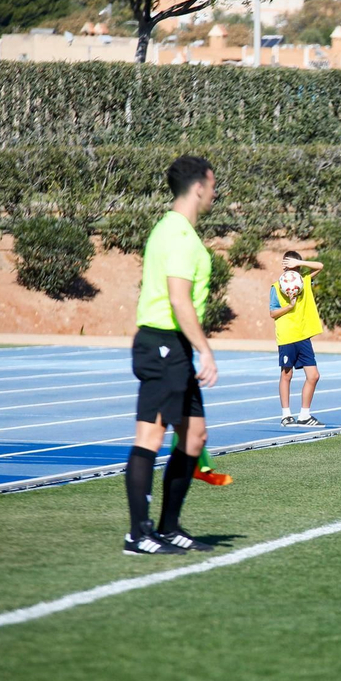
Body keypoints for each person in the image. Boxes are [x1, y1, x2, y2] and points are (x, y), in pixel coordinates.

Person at [123, 155, 219, 555]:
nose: (215, 193)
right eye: (213, 185)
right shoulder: (177, 235)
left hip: (174, 347)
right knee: (150, 436)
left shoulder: (177, 230)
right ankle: (138, 534)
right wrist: (206, 351)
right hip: (163, 343)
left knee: (194, 436)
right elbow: (180, 301)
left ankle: (169, 526)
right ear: (199, 186)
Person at [271, 250, 326, 426]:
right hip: (287, 336)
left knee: (314, 375)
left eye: (293, 264)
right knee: (287, 374)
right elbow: (273, 312)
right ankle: (286, 415)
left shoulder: (305, 281)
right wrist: (289, 306)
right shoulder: (276, 286)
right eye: (288, 264)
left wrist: (300, 264)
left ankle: (304, 415)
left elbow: (320, 266)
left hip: (303, 336)